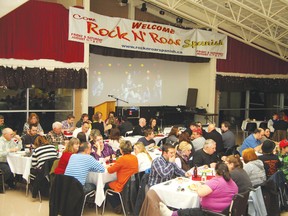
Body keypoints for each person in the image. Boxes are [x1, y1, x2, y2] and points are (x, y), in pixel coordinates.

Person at [160, 162, 238, 215]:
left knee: (190, 211)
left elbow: (200, 193)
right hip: (225, 211)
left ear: (216, 171)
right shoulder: (232, 182)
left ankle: (171, 214)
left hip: (211, 212)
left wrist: (198, 187)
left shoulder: (216, 181)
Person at [105, 140, 138, 212]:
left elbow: (110, 170)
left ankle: (117, 206)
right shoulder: (134, 157)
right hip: (131, 183)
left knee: (105, 186)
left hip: (122, 184)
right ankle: (121, 203)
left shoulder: (122, 159)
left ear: (121, 150)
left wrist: (107, 167)